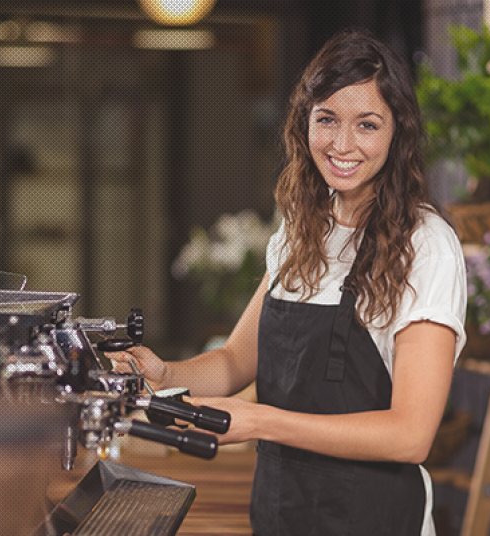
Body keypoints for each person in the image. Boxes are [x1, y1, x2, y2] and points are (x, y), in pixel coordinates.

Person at [109, 29, 467, 536]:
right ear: (304, 124)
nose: (342, 145)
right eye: (326, 120)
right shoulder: (302, 228)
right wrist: (165, 373)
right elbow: (235, 361)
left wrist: (259, 422)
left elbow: (410, 435)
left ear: (397, 133)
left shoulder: (424, 245)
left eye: (367, 125)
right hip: (282, 516)